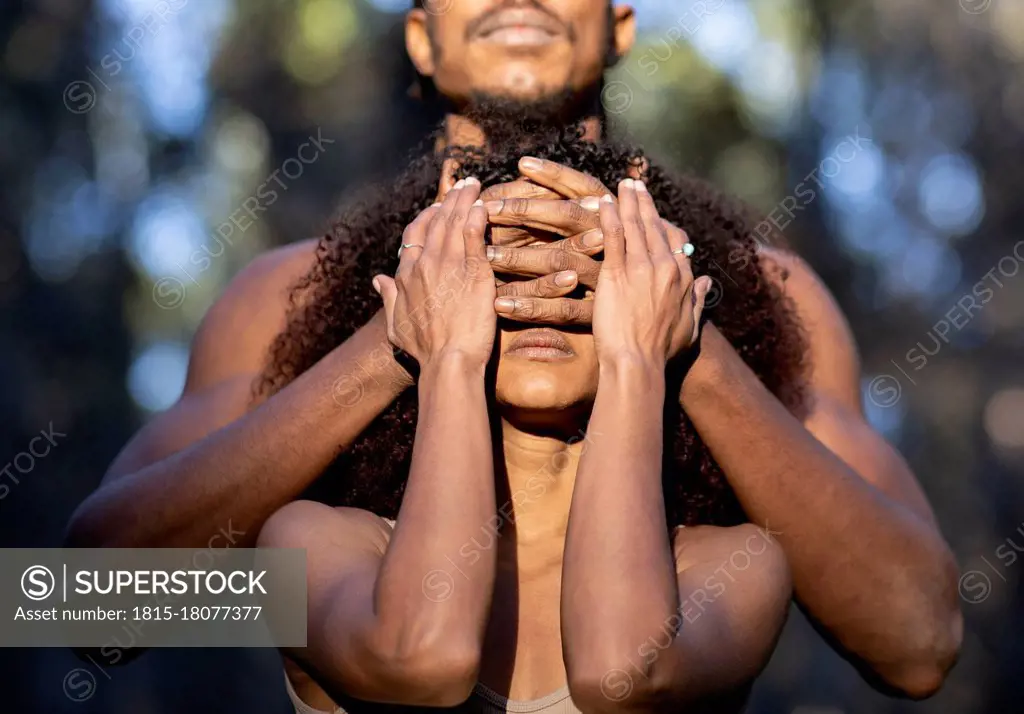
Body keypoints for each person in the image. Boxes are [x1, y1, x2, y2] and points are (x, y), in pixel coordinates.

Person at [66, 0, 961, 701]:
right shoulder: (284, 302)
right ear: (421, 38)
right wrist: (395, 346)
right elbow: (83, 606)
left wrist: (684, 346)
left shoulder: (766, 298)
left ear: (620, 27)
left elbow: (918, 644)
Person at [258, 129, 795, 713]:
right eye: (503, 269)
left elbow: (624, 673)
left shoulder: (739, 569)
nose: (545, 294)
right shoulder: (303, 545)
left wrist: (636, 360)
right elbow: (423, 656)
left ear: (653, 298)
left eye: (587, 269)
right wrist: (449, 358)